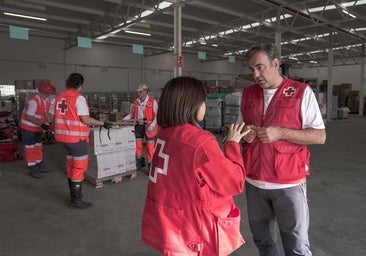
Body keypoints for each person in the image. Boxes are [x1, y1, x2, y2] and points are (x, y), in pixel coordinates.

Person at [141, 76, 250, 256]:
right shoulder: (200, 142)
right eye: (203, 101)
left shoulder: (165, 134)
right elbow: (234, 182)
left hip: (169, 223)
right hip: (194, 231)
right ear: (193, 104)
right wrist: (232, 145)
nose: (205, 106)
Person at [238, 44, 326, 256]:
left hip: (288, 183)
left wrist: (281, 133)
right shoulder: (248, 94)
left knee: (295, 244)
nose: (255, 74)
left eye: (260, 67)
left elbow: (319, 136)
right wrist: (244, 134)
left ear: (275, 64)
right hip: (254, 182)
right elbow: (238, 130)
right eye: (252, 70)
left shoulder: (300, 92)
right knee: (263, 241)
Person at [52, 73, 112, 209]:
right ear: (79, 85)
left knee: (70, 165)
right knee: (79, 168)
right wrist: (103, 124)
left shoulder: (59, 97)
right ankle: (76, 200)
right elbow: (86, 119)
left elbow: (54, 116)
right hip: (76, 140)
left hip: (62, 139)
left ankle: (74, 195)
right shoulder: (78, 98)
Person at [20, 81, 56, 179]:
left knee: (38, 147)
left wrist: (49, 121)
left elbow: (46, 113)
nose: (47, 95)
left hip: (37, 128)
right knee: (30, 148)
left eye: (48, 93)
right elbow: (29, 117)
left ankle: (40, 164)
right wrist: (43, 125)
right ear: (40, 91)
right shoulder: (33, 101)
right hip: (28, 128)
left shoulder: (47, 100)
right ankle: (33, 168)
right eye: (45, 93)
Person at [123, 84, 158, 172]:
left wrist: (153, 125)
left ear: (146, 91)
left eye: (140, 91)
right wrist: (124, 119)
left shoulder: (152, 101)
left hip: (149, 126)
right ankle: (139, 162)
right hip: (138, 126)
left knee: (150, 147)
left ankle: (150, 165)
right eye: (138, 92)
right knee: (137, 145)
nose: (138, 93)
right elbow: (131, 114)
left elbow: (158, 116)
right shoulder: (135, 102)